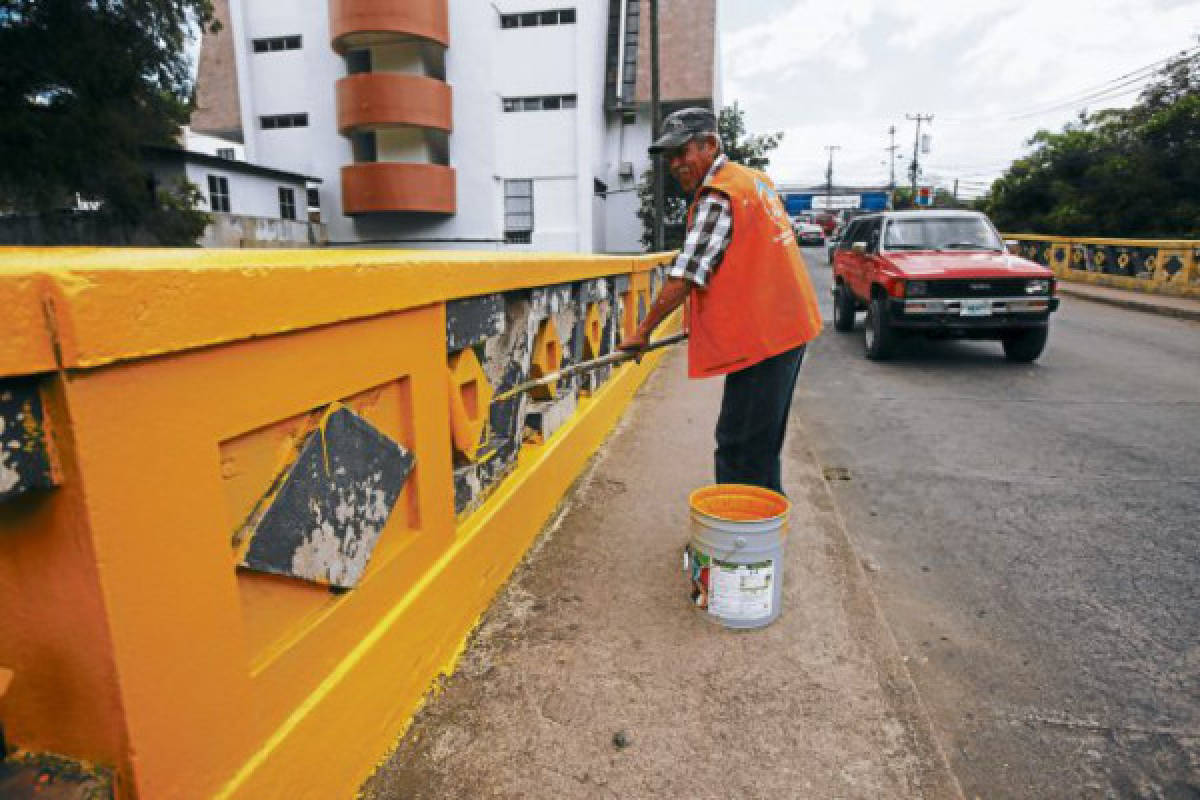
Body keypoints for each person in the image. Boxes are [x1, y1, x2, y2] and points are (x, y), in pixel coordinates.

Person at [618, 107, 823, 495]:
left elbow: (686, 274)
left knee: (738, 449)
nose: (676, 164)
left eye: (683, 153)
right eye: (670, 157)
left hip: (765, 338)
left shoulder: (720, 194)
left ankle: (739, 549)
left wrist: (642, 332)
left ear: (711, 145)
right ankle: (764, 539)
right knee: (762, 448)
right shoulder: (756, 181)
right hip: (787, 329)